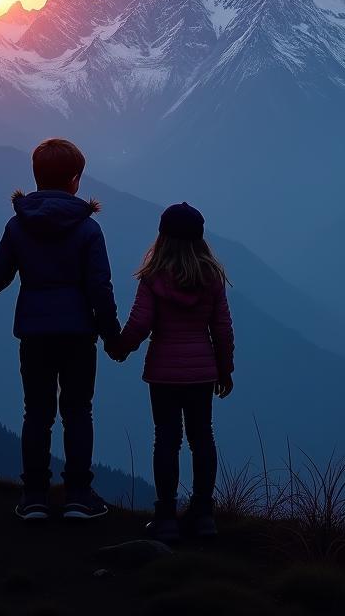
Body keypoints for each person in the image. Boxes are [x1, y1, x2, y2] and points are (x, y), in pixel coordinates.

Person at [0, 138, 120, 521]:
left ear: (35, 177)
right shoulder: (87, 230)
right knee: (77, 412)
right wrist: (112, 334)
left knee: (37, 412)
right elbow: (100, 287)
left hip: (34, 333)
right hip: (79, 334)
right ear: (75, 180)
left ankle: (33, 496)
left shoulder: (19, 226)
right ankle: (78, 496)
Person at [110, 202, 234, 543]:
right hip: (202, 374)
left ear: (162, 237)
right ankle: (204, 515)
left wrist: (120, 348)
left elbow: (139, 323)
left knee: (166, 439)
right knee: (202, 438)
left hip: (163, 373)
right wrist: (225, 370)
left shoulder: (152, 278)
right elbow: (222, 329)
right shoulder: (211, 278)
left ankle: (165, 517)